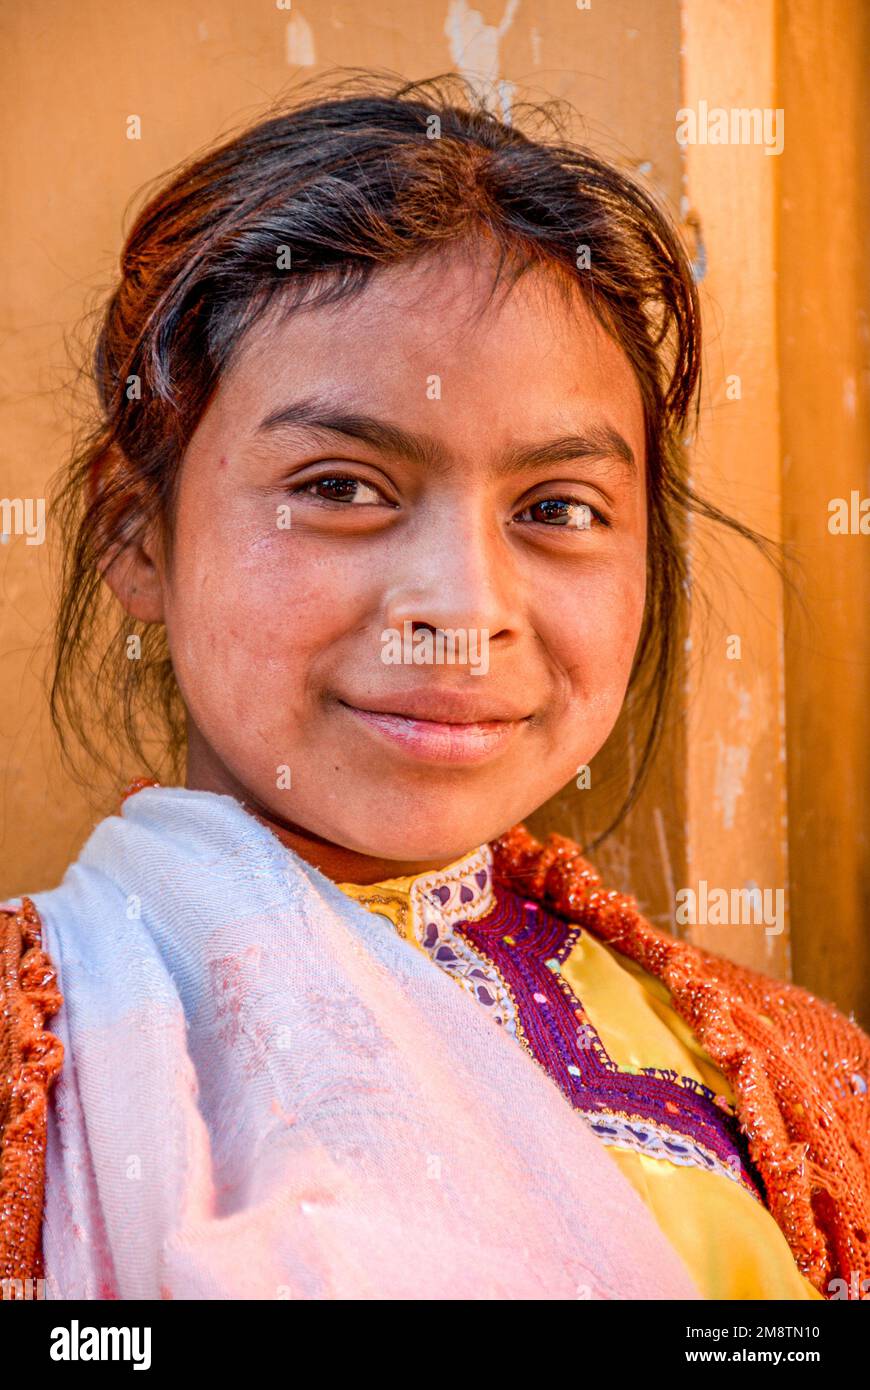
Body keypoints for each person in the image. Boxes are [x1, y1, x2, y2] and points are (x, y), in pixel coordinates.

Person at [1, 72, 867, 1302]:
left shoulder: (803, 1100)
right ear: (139, 535)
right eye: (343, 486)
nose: (460, 611)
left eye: (558, 509)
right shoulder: (31, 1061)